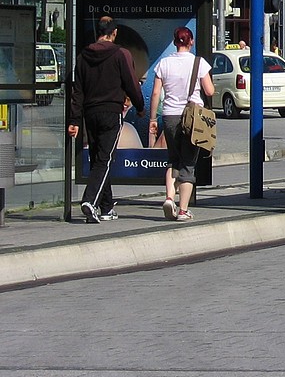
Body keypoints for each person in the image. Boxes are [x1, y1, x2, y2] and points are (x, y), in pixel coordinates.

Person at [68, 16, 145, 223]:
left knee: (99, 159)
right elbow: (131, 83)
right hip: (111, 112)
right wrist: (140, 107)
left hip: (89, 114)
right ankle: (89, 201)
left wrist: (74, 120)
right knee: (105, 159)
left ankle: (107, 207)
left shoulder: (83, 56)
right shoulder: (121, 54)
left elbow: (78, 91)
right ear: (115, 32)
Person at [148, 27, 214, 222]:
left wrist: (153, 119)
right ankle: (183, 210)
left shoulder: (164, 64)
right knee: (188, 163)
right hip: (192, 118)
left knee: (173, 159)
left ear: (175, 42)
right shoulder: (199, 63)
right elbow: (209, 91)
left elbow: (155, 94)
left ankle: (169, 197)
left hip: (169, 116)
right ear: (190, 41)